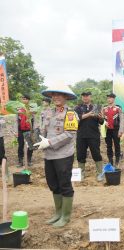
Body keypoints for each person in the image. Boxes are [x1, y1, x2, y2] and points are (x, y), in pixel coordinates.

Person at [33, 85, 79, 227]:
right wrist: (37, 139)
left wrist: (50, 142)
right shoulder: (47, 113)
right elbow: (43, 130)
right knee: (53, 184)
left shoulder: (70, 114)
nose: (56, 97)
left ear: (66, 97)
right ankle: (58, 213)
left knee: (64, 184)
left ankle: (65, 216)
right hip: (49, 155)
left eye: (59, 95)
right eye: (53, 95)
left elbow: (70, 134)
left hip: (63, 155)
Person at [74, 91, 104, 181]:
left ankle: (100, 173)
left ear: (90, 97)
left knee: (96, 153)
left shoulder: (96, 107)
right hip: (81, 135)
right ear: (82, 98)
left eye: (87, 96)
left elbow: (101, 122)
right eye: (83, 96)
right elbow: (76, 119)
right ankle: (81, 174)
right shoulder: (78, 107)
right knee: (80, 154)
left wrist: (101, 117)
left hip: (93, 134)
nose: (85, 98)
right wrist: (88, 114)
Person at [102, 93, 124, 166]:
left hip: (116, 129)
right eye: (108, 98)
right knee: (109, 146)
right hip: (107, 130)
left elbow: (122, 120)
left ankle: (117, 160)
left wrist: (120, 131)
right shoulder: (104, 108)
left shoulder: (118, 108)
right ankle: (110, 160)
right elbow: (102, 119)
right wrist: (104, 123)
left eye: (110, 98)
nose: (109, 99)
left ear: (114, 99)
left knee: (117, 145)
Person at [16, 94, 34, 167]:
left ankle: (29, 160)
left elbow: (34, 119)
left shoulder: (32, 108)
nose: (24, 100)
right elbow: (16, 120)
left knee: (30, 145)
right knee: (20, 145)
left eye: (26, 99)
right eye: (23, 99)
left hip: (29, 129)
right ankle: (20, 161)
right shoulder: (18, 109)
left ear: (29, 100)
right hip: (20, 129)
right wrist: (15, 131)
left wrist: (34, 129)